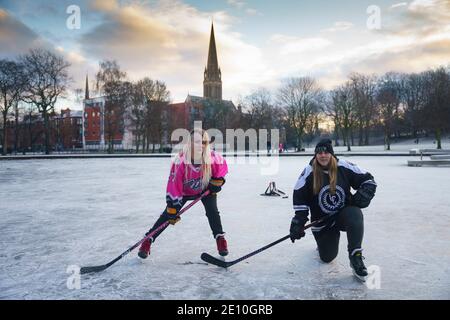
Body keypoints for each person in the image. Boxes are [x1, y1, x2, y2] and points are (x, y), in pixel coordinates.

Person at [289, 139, 377, 281]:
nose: (323, 155)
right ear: (315, 155)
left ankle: (356, 257)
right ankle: (323, 244)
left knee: (355, 213)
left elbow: (368, 180)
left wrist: (364, 193)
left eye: (326, 152)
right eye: (319, 152)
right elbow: (300, 197)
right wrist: (299, 221)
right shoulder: (309, 171)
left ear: (331, 154)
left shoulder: (343, 166)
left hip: (342, 214)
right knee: (328, 257)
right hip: (322, 221)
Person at [138, 129, 229, 259]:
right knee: (166, 216)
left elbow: (221, 171)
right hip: (184, 192)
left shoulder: (213, 158)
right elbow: (174, 185)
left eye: (203, 142)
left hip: (205, 190)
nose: (200, 145)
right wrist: (172, 207)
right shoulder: (180, 161)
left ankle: (220, 239)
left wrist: (217, 181)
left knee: (212, 212)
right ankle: (148, 240)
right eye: (196, 142)